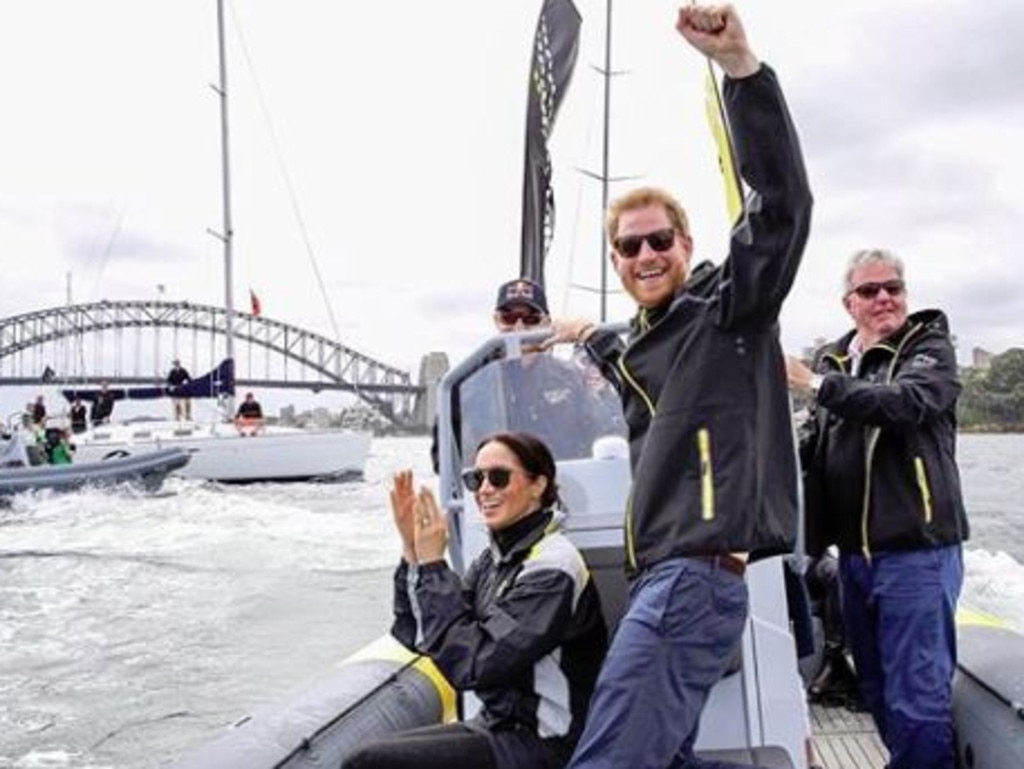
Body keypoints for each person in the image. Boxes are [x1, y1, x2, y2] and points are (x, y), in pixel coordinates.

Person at [542, 6, 812, 767]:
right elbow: (619, 346)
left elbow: (784, 210)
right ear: (617, 261)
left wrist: (741, 70)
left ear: (687, 245)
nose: (645, 253)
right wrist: (572, 331)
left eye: (661, 239)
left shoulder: (731, 308)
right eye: (628, 246)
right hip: (665, 577)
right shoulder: (637, 343)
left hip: (693, 578)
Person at [787, 248, 968, 769]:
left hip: (918, 553)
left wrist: (815, 385)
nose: (884, 297)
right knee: (876, 688)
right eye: (870, 290)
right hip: (855, 561)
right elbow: (813, 450)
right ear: (849, 303)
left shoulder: (928, 347)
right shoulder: (835, 360)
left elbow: (906, 405)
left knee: (917, 699)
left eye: (893, 287)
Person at [342, 432, 608, 769]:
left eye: (498, 477)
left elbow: (475, 663)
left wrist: (434, 564)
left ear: (538, 485)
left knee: (368, 763)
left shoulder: (552, 567)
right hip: (498, 723)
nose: (484, 489)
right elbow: (416, 633)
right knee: (364, 756)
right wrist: (412, 550)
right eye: (475, 478)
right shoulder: (493, 560)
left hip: (544, 740)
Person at [431, 277, 622, 472]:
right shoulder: (466, 384)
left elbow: (605, 432)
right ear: (496, 320)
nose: (519, 328)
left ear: (546, 322)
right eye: (509, 318)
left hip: (564, 489)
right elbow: (444, 458)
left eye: (531, 319)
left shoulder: (571, 378)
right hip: (498, 492)